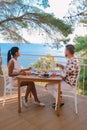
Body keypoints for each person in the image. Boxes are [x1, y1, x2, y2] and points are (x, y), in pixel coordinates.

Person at [45, 44, 80, 109]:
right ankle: (59, 100)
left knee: (48, 86)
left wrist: (53, 74)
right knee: (51, 84)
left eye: (65, 50)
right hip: (69, 82)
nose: (64, 52)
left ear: (68, 51)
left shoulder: (71, 61)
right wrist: (61, 66)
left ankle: (59, 101)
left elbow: (63, 75)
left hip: (69, 85)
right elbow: (68, 70)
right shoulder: (74, 60)